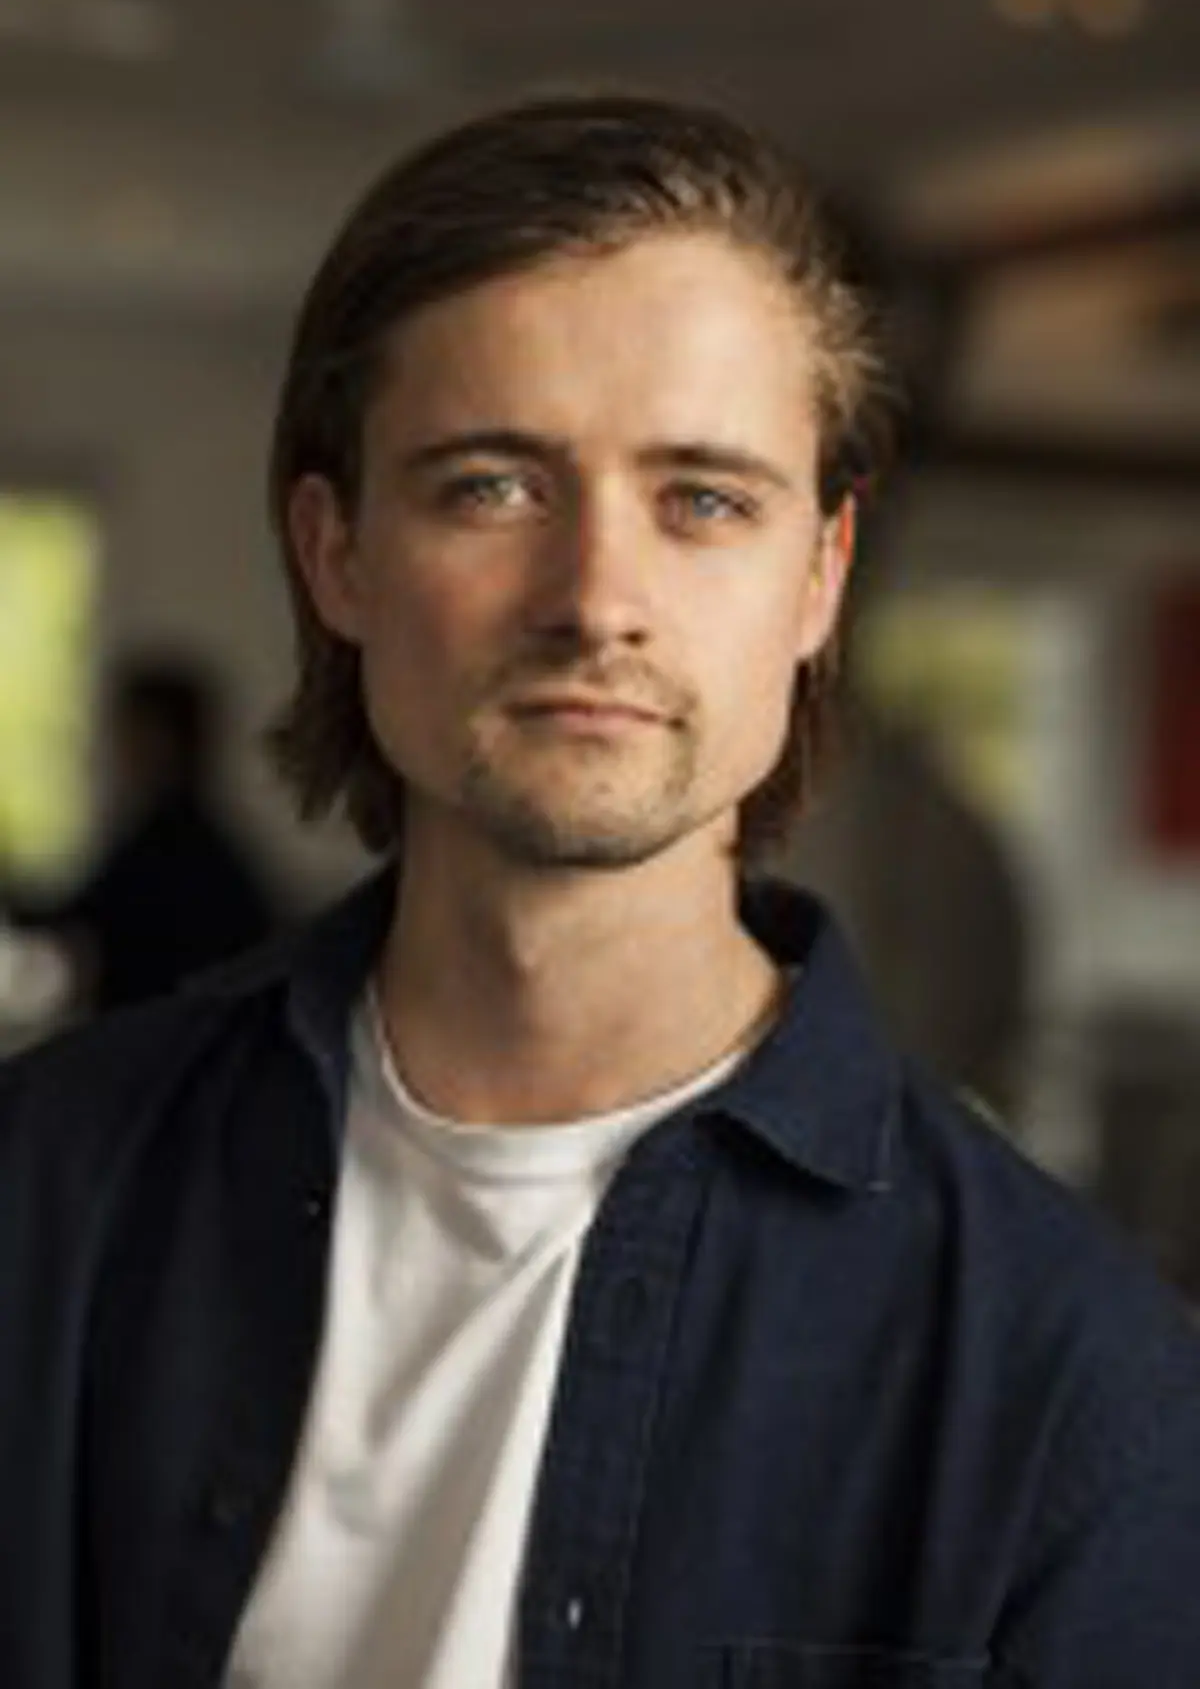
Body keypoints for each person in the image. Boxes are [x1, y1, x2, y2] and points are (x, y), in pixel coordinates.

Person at [1, 95, 1198, 1689]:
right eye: (492, 486)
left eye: (703, 499)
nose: (597, 600)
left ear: (819, 581)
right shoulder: (42, 1191)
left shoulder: (1071, 1380)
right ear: (336, 551)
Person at [24, 656, 282, 1012]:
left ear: (161, 740)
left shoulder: (165, 847)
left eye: (129, 732)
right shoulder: (200, 843)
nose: (117, 751)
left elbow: (66, 913)